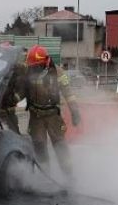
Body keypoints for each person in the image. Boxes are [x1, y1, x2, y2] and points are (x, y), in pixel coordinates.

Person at [21, 45, 81, 178]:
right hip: (36, 116)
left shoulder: (58, 73)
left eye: (37, 66)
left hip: (53, 116)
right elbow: (21, 91)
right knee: (39, 145)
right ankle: (45, 176)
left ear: (45, 62)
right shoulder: (28, 71)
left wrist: (75, 111)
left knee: (60, 145)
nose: (34, 69)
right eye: (32, 66)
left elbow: (68, 93)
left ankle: (69, 176)